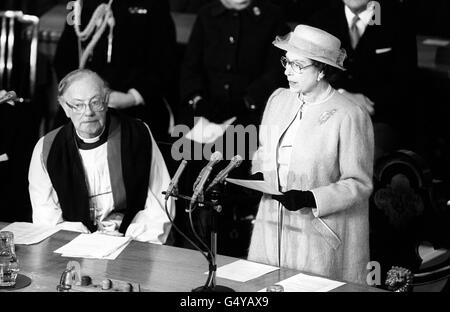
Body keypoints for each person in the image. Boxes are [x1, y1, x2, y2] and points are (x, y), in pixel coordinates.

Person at [247, 25, 374, 285]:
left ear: (322, 70)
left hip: (317, 236)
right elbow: (263, 151)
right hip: (271, 228)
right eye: (286, 62)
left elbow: (359, 184)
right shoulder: (278, 100)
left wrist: (311, 197)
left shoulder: (349, 114)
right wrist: (259, 173)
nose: (286, 71)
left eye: (297, 66)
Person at [177, 0, 289, 256]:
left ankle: (228, 243)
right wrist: (199, 101)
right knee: (185, 156)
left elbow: (275, 71)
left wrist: (245, 102)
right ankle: (191, 240)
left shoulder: (272, 15)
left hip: (250, 114)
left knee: (231, 159)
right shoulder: (207, 14)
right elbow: (190, 66)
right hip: (206, 113)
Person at [28, 69, 175, 244]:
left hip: (134, 244)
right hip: (75, 247)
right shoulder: (47, 148)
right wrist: (86, 240)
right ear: (65, 108)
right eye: (78, 105)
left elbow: (162, 199)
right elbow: (46, 217)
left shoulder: (137, 135)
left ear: (106, 101)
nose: (88, 112)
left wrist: (132, 239)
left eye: (95, 102)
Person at [306, 0, 418, 159]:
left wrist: (369, 105)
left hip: (378, 119)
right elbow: (310, 77)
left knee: (358, 158)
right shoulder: (321, 20)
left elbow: (405, 83)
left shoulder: (397, 20)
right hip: (328, 115)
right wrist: (341, 95)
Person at [54, 0, 178, 142]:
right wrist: (79, 96)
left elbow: (165, 62)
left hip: (134, 105)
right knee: (60, 141)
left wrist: (133, 97)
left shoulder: (154, 5)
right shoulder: (81, 4)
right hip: (84, 103)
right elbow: (64, 58)